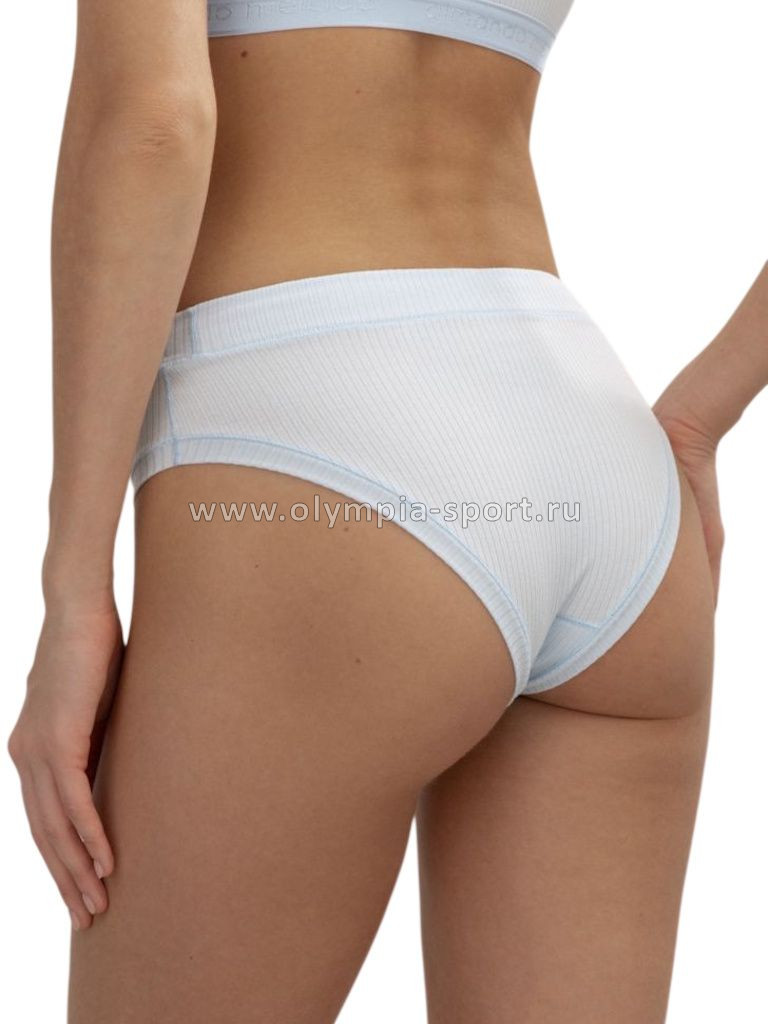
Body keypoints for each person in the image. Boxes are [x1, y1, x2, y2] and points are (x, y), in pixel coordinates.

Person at [6, 1, 766, 1020]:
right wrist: (698, 421)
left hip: (317, 439)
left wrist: (73, 587)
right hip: (602, 456)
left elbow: (153, 123)